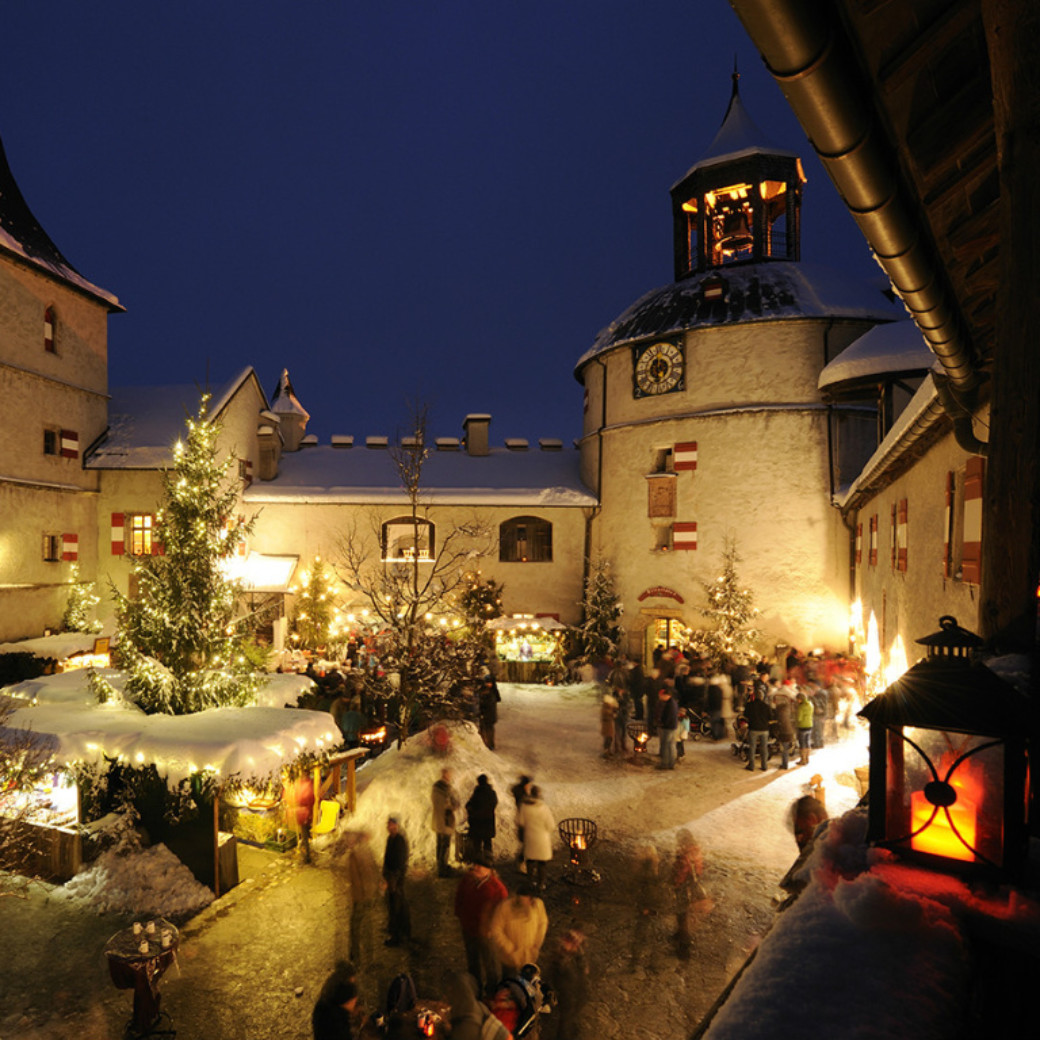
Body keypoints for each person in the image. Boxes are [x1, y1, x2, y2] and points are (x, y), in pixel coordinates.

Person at [454, 853, 508, 997]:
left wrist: (492, 929)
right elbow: (459, 898)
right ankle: (475, 989)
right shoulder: (467, 880)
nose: (476, 868)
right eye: (476, 864)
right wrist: (460, 915)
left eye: (480, 866)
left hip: (486, 933)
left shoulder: (498, 889)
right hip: (469, 928)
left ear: (489, 870)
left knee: (490, 963)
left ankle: (491, 993)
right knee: (472, 962)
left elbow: (502, 913)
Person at [488, 882, 549, 978]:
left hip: (529, 956)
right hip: (510, 959)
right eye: (526, 898)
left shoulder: (538, 905)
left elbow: (543, 923)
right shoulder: (505, 907)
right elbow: (496, 929)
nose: (529, 901)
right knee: (510, 983)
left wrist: (536, 944)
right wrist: (510, 949)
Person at [343, 831, 380, 965]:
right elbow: (374, 871)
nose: (347, 842)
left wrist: (359, 897)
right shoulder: (367, 851)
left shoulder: (355, 855)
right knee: (366, 926)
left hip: (361, 897)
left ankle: (357, 957)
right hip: (368, 895)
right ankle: (367, 957)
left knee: (357, 927)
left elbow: (358, 880)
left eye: (348, 840)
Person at [545, 927, 589, 1040]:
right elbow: (555, 974)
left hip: (578, 991)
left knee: (573, 1015)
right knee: (565, 1021)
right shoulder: (559, 958)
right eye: (570, 942)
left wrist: (578, 951)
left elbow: (584, 969)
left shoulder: (576, 955)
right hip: (567, 995)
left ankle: (572, 1031)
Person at [671, 830, 706, 961]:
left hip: (683, 888)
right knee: (683, 914)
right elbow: (699, 869)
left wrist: (675, 884)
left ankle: (684, 948)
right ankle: (680, 934)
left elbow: (681, 870)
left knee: (682, 914)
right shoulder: (695, 849)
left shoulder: (684, 852)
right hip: (690, 886)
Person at [516, 784, 555, 890]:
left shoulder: (524, 806)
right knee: (542, 863)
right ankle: (541, 883)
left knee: (530, 861)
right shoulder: (544, 808)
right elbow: (551, 825)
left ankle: (530, 881)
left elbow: (520, 821)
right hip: (542, 839)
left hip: (530, 837)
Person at [382, 816, 411, 947]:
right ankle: (402, 931)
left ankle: (397, 935)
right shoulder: (390, 839)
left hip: (396, 878)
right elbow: (387, 858)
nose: (389, 827)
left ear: (397, 826)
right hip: (391, 877)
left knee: (396, 906)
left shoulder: (399, 841)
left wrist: (395, 878)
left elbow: (400, 862)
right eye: (388, 825)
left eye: (392, 825)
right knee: (394, 904)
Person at [432, 768, 461, 877]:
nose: (450, 777)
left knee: (440, 845)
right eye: (449, 775)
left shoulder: (437, 788)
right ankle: (442, 870)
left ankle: (441, 866)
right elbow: (447, 805)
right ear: (445, 775)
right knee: (444, 846)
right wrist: (453, 805)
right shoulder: (443, 790)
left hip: (439, 821)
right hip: (444, 822)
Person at [465, 773, 498, 863]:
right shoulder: (492, 793)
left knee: (477, 844)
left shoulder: (477, 793)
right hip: (488, 822)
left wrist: (472, 813)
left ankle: (478, 864)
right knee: (487, 843)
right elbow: (494, 804)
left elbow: (469, 805)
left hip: (477, 823)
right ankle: (488, 862)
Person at [289, 770, 316, 865]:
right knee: (305, 834)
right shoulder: (306, 784)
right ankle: (307, 852)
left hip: (304, 813)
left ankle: (307, 856)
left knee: (305, 835)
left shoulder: (305, 785)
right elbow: (311, 799)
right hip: (305, 813)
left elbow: (307, 798)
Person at [744, 684, 772, 772]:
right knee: (764, 748)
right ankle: (764, 766)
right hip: (764, 729)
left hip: (753, 729)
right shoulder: (766, 706)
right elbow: (770, 717)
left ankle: (751, 765)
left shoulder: (749, 705)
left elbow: (745, 715)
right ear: (762, 697)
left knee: (752, 747)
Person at [771, 678, 796, 770]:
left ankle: (784, 765)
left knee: (784, 748)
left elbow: (772, 704)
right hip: (789, 730)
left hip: (784, 731)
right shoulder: (789, 694)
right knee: (787, 747)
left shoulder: (777, 694)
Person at [510, 774, 532, 871]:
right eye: (528, 784)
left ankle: (521, 862)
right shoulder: (523, 796)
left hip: (522, 820)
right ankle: (521, 863)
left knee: (525, 842)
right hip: (524, 821)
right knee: (526, 843)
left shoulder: (520, 793)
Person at [656, 682, 679, 770]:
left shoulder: (670, 705)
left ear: (666, 695)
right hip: (673, 727)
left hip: (668, 728)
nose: (660, 698)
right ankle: (671, 763)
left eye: (661, 696)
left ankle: (665, 764)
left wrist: (662, 724)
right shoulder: (672, 702)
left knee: (666, 745)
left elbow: (668, 717)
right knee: (671, 745)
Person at [478, 676, 501, 750]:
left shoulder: (492, 692)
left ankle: (490, 745)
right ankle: (485, 743)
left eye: (489, 683)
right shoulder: (484, 690)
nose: (488, 684)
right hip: (485, 713)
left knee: (489, 729)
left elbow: (491, 701)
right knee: (484, 729)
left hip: (489, 713)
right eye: (487, 682)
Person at [795, 691, 814, 766]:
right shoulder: (810, 704)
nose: (797, 701)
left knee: (802, 743)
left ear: (800, 699)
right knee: (807, 742)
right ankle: (807, 758)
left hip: (802, 726)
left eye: (798, 699)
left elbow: (799, 718)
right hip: (810, 725)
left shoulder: (801, 707)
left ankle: (802, 760)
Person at [600, 692, 618, 757]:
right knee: (608, 739)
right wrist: (612, 715)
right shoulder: (605, 708)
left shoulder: (608, 707)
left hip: (609, 726)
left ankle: (608, 750)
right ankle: (606, 751)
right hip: (607, 726)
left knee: (610, 738)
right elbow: (606, 715)